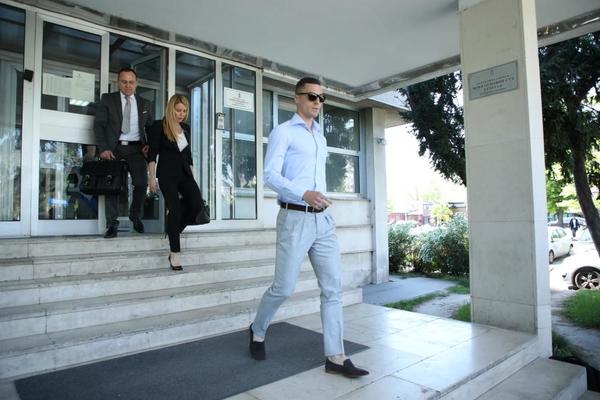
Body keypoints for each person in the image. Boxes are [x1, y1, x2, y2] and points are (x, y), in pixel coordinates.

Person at [249, 77, 369, 378]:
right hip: (294, 218)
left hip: (323, 221)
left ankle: (336, 356)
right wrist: (303, 193)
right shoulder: (284, 132)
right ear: (297, 98)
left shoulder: (320, 137)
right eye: (312, 96)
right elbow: (270, 175)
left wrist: (320, 200)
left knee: (332, 289)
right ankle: (258, 329)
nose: (317, 102)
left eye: (321, 98)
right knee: (284, 287)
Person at [94, 67, 154, 238]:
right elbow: (99, 125)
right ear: (118, 82)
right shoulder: (108, 99)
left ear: (137, 83)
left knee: (141, 183)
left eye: (131, 82)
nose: (128, 85)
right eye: (124, 82)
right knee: (113, 187)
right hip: (114, 148)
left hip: (136, 149)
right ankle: (112, 224)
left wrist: (149, 145)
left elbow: (150, 128)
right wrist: (104, 148)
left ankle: (135, 215)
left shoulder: (145, 104)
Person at [147, 95, 203, 271]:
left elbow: (188, 156)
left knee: (197, 205)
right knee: (175, 210)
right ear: (171, 108)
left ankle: (173, 231)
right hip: (167, 175)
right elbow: (152, 155)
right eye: (178, 110)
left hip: (185, 174)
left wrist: (193, 178)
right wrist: (152, 177)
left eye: (184, 111)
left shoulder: (185, 128)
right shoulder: (159, 126)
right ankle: (174, 254)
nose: (181, 114)